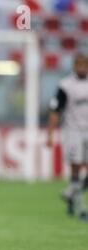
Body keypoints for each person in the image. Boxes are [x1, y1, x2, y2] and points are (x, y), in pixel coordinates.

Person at [47, 52, 88, 222]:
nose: (81, 68)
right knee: (76, 168)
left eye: (84, 64)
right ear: (73, 66)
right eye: (78, 64)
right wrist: (50, 133)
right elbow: (56, 111)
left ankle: (70, 193)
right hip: (73, 132)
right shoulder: (65, 85)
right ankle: (81, 208)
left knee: (79, 174)